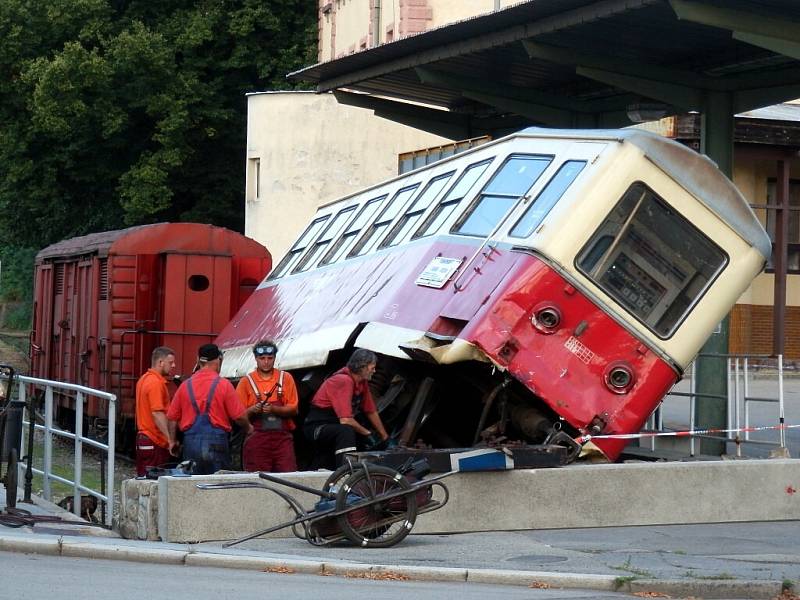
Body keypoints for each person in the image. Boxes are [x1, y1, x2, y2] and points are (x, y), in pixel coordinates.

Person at [167, 343, 252, 474]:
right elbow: (239, 416)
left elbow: (172, 418)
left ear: (198, 361)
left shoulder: (185, 386)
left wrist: (172, 441)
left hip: (191, 445)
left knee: (193, 487)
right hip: (217, 445)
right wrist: (248, 428)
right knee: (216, 488)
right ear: (218, 360)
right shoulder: (224, 385)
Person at [303, 348, 389, 469]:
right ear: (362, 367)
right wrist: (368, 434)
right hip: (316, 427)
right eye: (372, 367)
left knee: (326, 460)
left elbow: (371, 411)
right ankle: (346, 472)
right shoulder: (343, 380)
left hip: (333, 425)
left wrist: (384, 436)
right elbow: (346, 420)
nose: (374, 371)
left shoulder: (362, 383)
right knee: (346, 431)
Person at [236, 340, 299, 472]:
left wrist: (274, 409)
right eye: (262, 358)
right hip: (257, 441)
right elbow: (238, 416)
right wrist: (252, 410)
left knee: (287, 477)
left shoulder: (286, 378)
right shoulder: (246, 382)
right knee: (257, 480)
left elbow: (294, 409)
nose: (266, 362)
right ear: (256, 359)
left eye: (270, 358)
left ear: (275, 358)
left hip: (282, 441)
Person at [134, 346, 176, 476]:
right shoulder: (156, 383)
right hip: (154, 440)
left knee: (143, 479)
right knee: (154, 482)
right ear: (160, 363)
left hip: (144, 438)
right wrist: (169, 439)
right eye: (170, 362)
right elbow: (157, 413)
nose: (173, 365)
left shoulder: (143, 380)